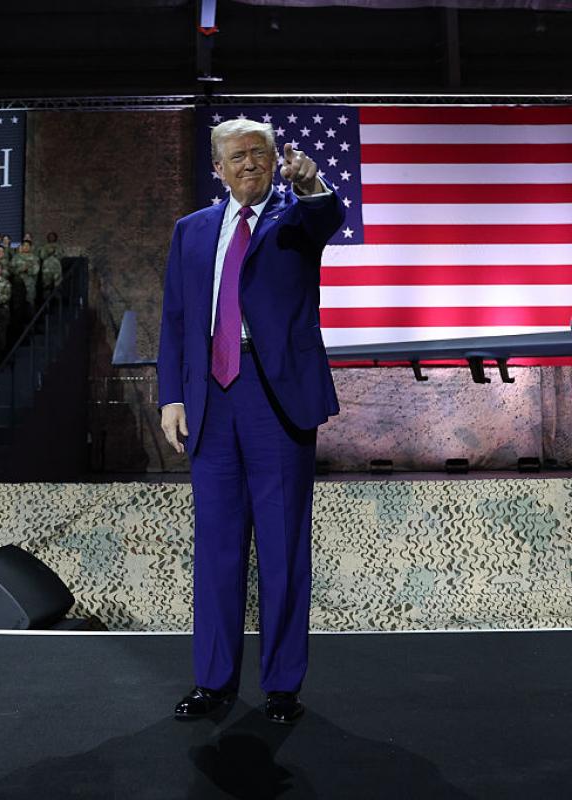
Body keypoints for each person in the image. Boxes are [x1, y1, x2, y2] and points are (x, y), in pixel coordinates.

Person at [159, 119, 343, 725]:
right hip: (212, 399)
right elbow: (177, 322)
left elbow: (325, 216)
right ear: (217, 166)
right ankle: (213, 683)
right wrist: (172, 398)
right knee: (216, 548)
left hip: (276, 399)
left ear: (273, 161)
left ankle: (283, 687)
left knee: (283, 545)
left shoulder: (294, 219)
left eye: (259, 155)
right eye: (237, 157)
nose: (249, 165)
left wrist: (310, 182)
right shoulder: (191, 232)